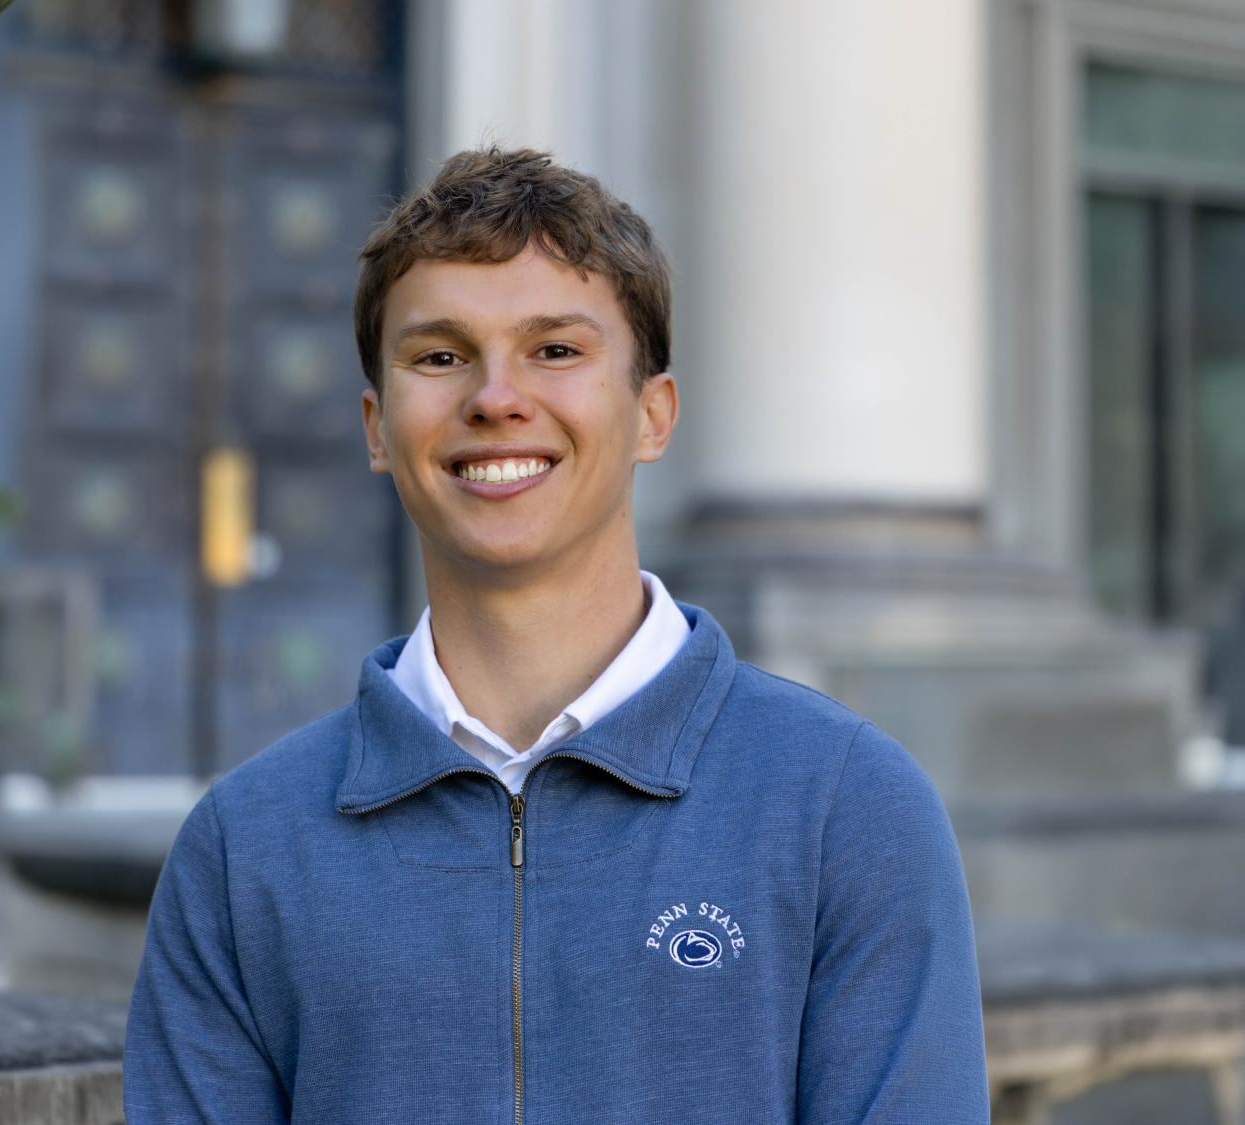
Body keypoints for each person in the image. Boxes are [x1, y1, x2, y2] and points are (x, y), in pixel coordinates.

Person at [123, 147, 990, 1123]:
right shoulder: (246, 849)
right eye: (440, 356)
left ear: (652, 414)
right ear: (377, 427)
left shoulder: (846, 809)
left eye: (556, 350)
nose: (495, 398)